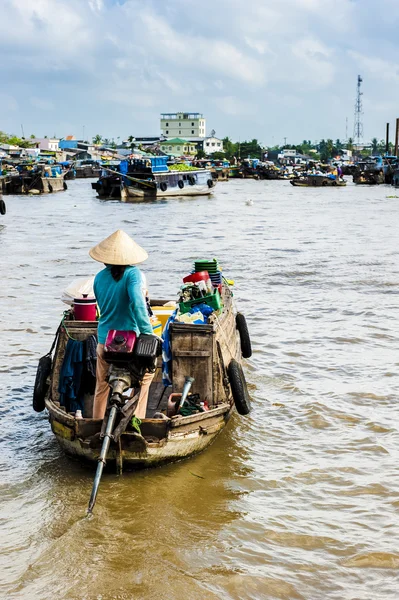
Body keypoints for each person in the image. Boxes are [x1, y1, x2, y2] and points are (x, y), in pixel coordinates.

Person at [89, 229, 155, 420]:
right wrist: (147, 332)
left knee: (101, 386)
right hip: (130, 343)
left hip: (105, 341)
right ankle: (138, 420)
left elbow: (102, 306)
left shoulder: (99, 278)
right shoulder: (133, 274)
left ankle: (96, 423)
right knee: (146, 378)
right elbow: (136, 302)